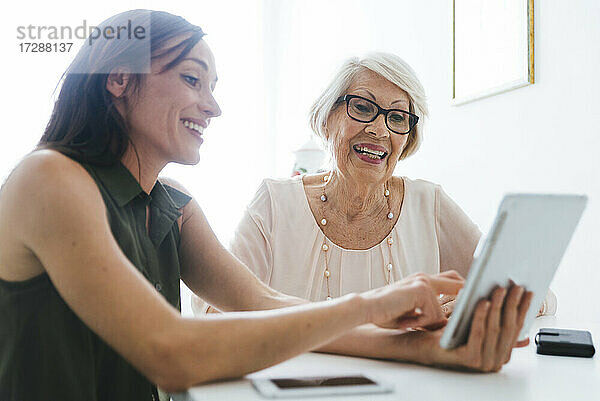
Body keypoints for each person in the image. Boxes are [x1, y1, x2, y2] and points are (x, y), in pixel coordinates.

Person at [0, 10, 532, 401]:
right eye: (191, 79)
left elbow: (267, 303)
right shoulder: (49, 179)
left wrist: (426, 349)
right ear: (118, 78)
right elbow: (171, 352)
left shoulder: (175, 207)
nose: (213, 105)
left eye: (214, 86)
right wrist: (375, 303)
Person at [194, 52, 555, 317]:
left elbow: (539, 296)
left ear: (407, 138)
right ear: (327, 117)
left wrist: (479, 301)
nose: (380, 130)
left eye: (398, 117)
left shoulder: (428, 204)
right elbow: (213, 315)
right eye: (364, 108)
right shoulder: (274, 204)